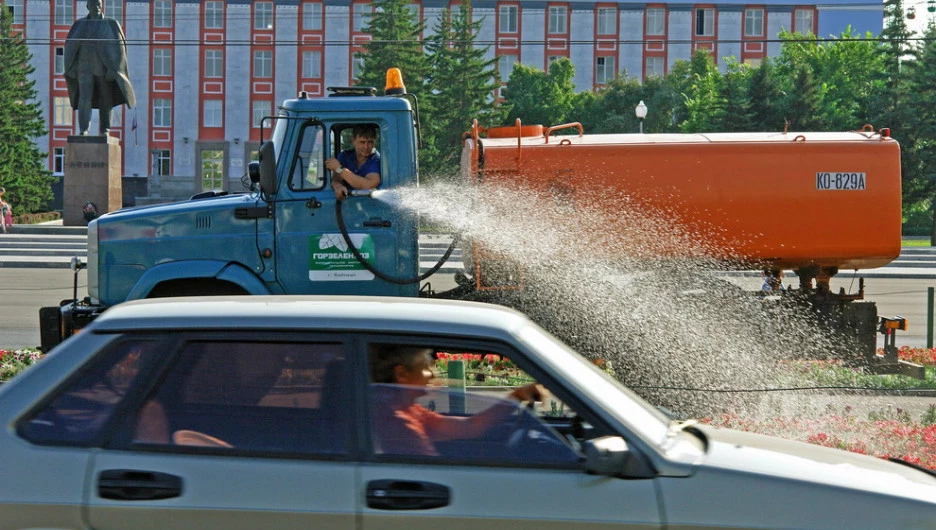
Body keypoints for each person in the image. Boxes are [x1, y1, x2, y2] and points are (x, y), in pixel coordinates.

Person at [369, 345, 544, 456]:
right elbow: (430, 473)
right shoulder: (398, 423)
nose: (432, 374)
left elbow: (468, 427)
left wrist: (515, 398)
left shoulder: (410, 410)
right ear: (401, 374)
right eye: (425, 368)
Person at [64, 0, 136, 136]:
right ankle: (83, 130)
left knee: (106, 99)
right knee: (84, 99)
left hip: (104, 69)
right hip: (84, 68)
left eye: (98, 4)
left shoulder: (111, 24)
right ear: (87, 6)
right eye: (93, 5)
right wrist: (71, 67)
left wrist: (115, 69)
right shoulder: (80, 25)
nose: (96, 7)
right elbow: (70, 47)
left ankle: (105, 130)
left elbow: (120, 50)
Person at [325, 125, 381, 200]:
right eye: (362, 142)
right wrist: (337, 186)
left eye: (370, 142)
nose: (366, 146)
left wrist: (339, 168)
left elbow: (369, 185)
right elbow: (335, 178)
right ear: (353, 141)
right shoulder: (345, 156)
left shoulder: (376, 159)